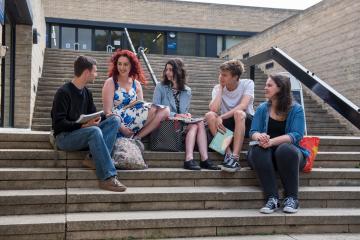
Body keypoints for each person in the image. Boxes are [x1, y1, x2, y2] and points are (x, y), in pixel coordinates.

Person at [51, 55, 126, 192]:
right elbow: (58, 125)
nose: (96, 75)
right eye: (95, 71)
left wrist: (105, 117)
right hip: (64, 137)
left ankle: (92, 158)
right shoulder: (63, 92)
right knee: (94, 131)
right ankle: (107, 177)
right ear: (86, 73)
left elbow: (93, 115)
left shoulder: (87, 93)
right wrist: (81, 125)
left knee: (114, 120)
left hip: (83, 133)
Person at [248, 73, 309, 214]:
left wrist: (271, 142)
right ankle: (272, 199)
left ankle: (292, 198)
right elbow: (253, 131)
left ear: (280, 88)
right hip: (265, 157)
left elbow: (296, 135)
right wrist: (260, 137)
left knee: (285, 149)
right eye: (266, 85)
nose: (265, 88)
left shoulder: (296, 109)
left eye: (269, 85)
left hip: (290, 157)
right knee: (258, 149)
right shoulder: (263, 108)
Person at [153, 59, 219, 170]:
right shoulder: (160, 87)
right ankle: (192, 159)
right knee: (196, 125)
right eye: (166, 70)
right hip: (166, 125)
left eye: (171, 70)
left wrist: (186, 115)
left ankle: (202, 159)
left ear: (178, 71)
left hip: (181, 125)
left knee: (198, 123)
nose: (167, 73)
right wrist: (177, 116)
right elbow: (156, 109)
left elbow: (183, 111)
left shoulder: (187, 90)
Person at [102, 49, 169, 139]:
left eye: (126, 64)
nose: (122, 67)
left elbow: (141, 106)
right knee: (153, 108)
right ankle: (128, 134)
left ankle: (137, 137)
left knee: (165, 110)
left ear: (132, 66)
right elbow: (108, 112)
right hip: (117, 121)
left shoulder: (136, 84)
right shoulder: (111, 82)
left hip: (134, 119)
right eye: (119, 64)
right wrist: (122, 128)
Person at [205, 59, 254, 172]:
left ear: (235, 77)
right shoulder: (217, 88)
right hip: (228, 125)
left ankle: (235, 158)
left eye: (225, 75)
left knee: (239, 113)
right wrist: (221, 89)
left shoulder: (248, 83)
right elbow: (213, 109)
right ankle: (228, 154)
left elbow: (243, 105)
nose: (221, 77)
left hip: (246, 122)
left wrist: (221, 117)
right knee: (210, 115)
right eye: (220, 74)